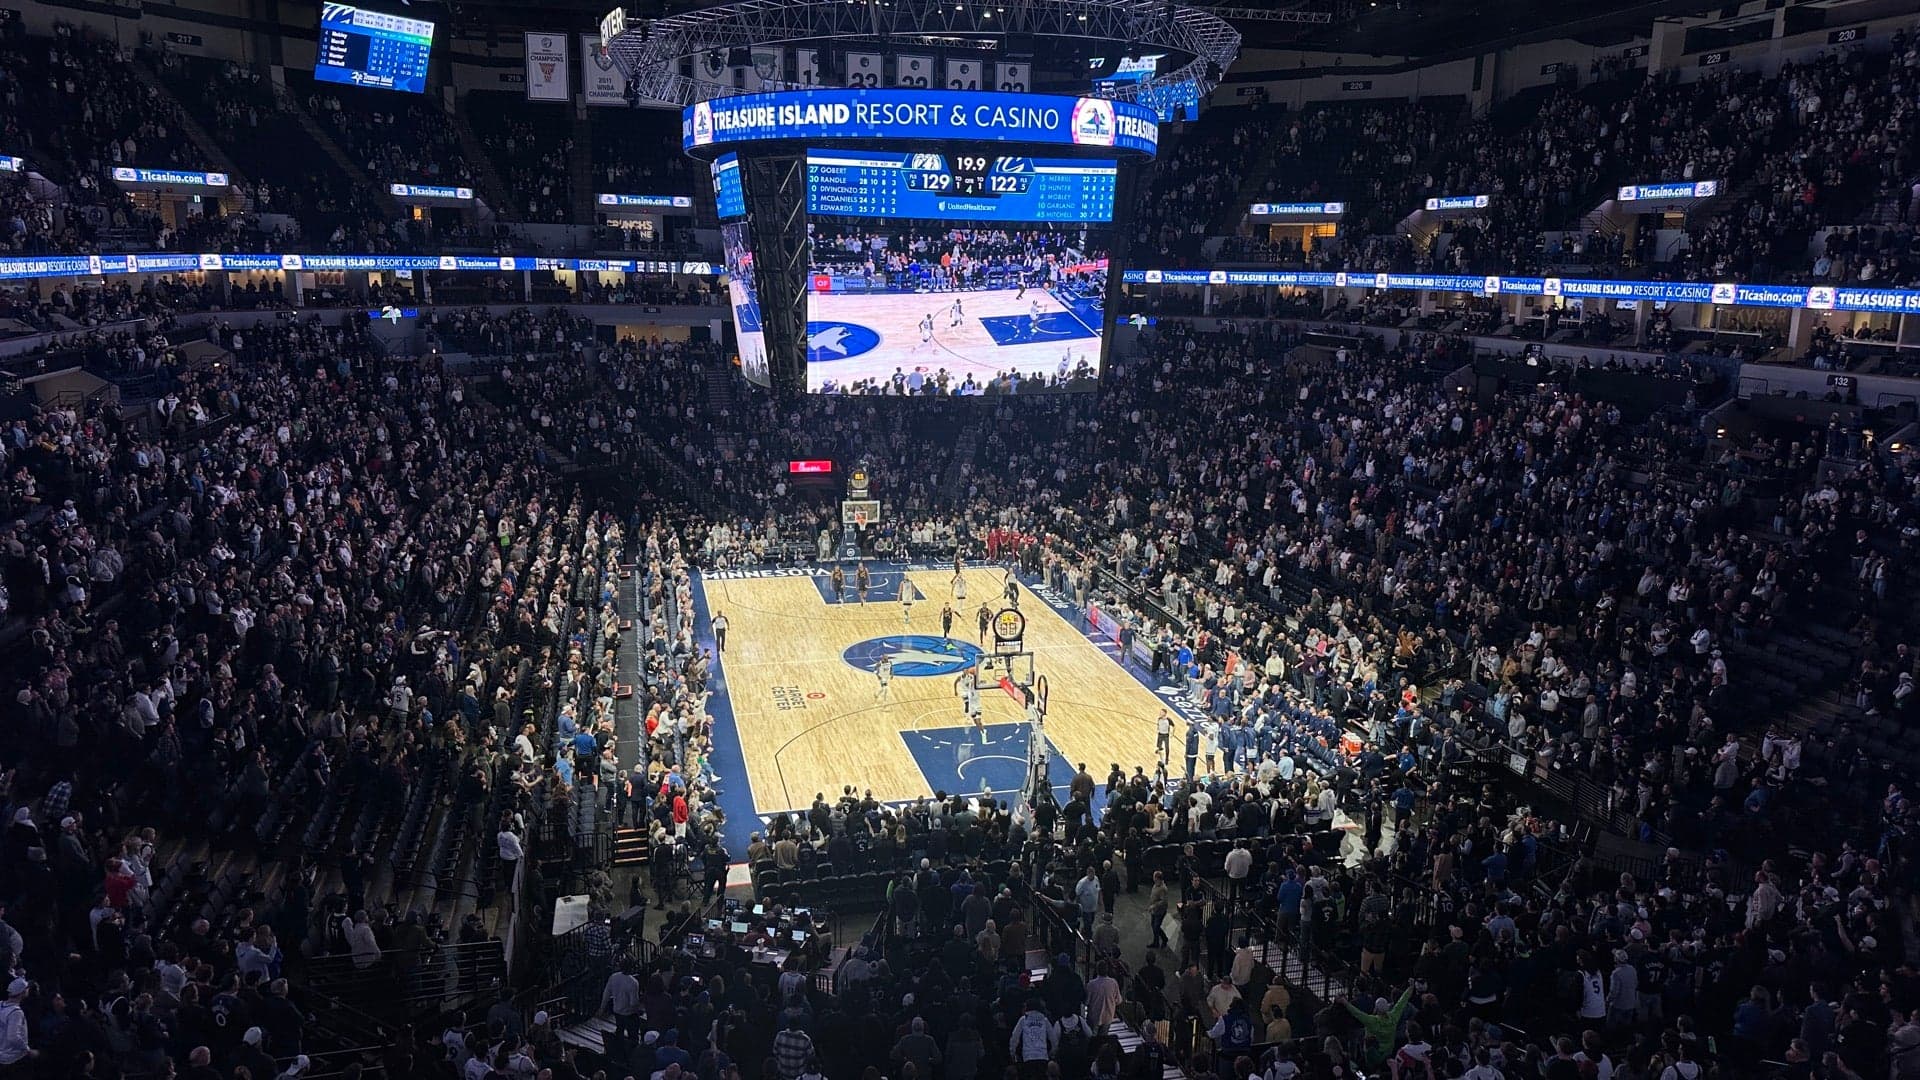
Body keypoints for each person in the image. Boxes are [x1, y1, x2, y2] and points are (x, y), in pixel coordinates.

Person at [1008, 998, 1056, 1080]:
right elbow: (1053, 1038)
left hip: (1028, 1056)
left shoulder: (1023, 1020)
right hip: (1042, 1056)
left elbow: (1015, 1037)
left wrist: (1012, 1052)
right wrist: (1053, 1051)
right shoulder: (1044, 1020)